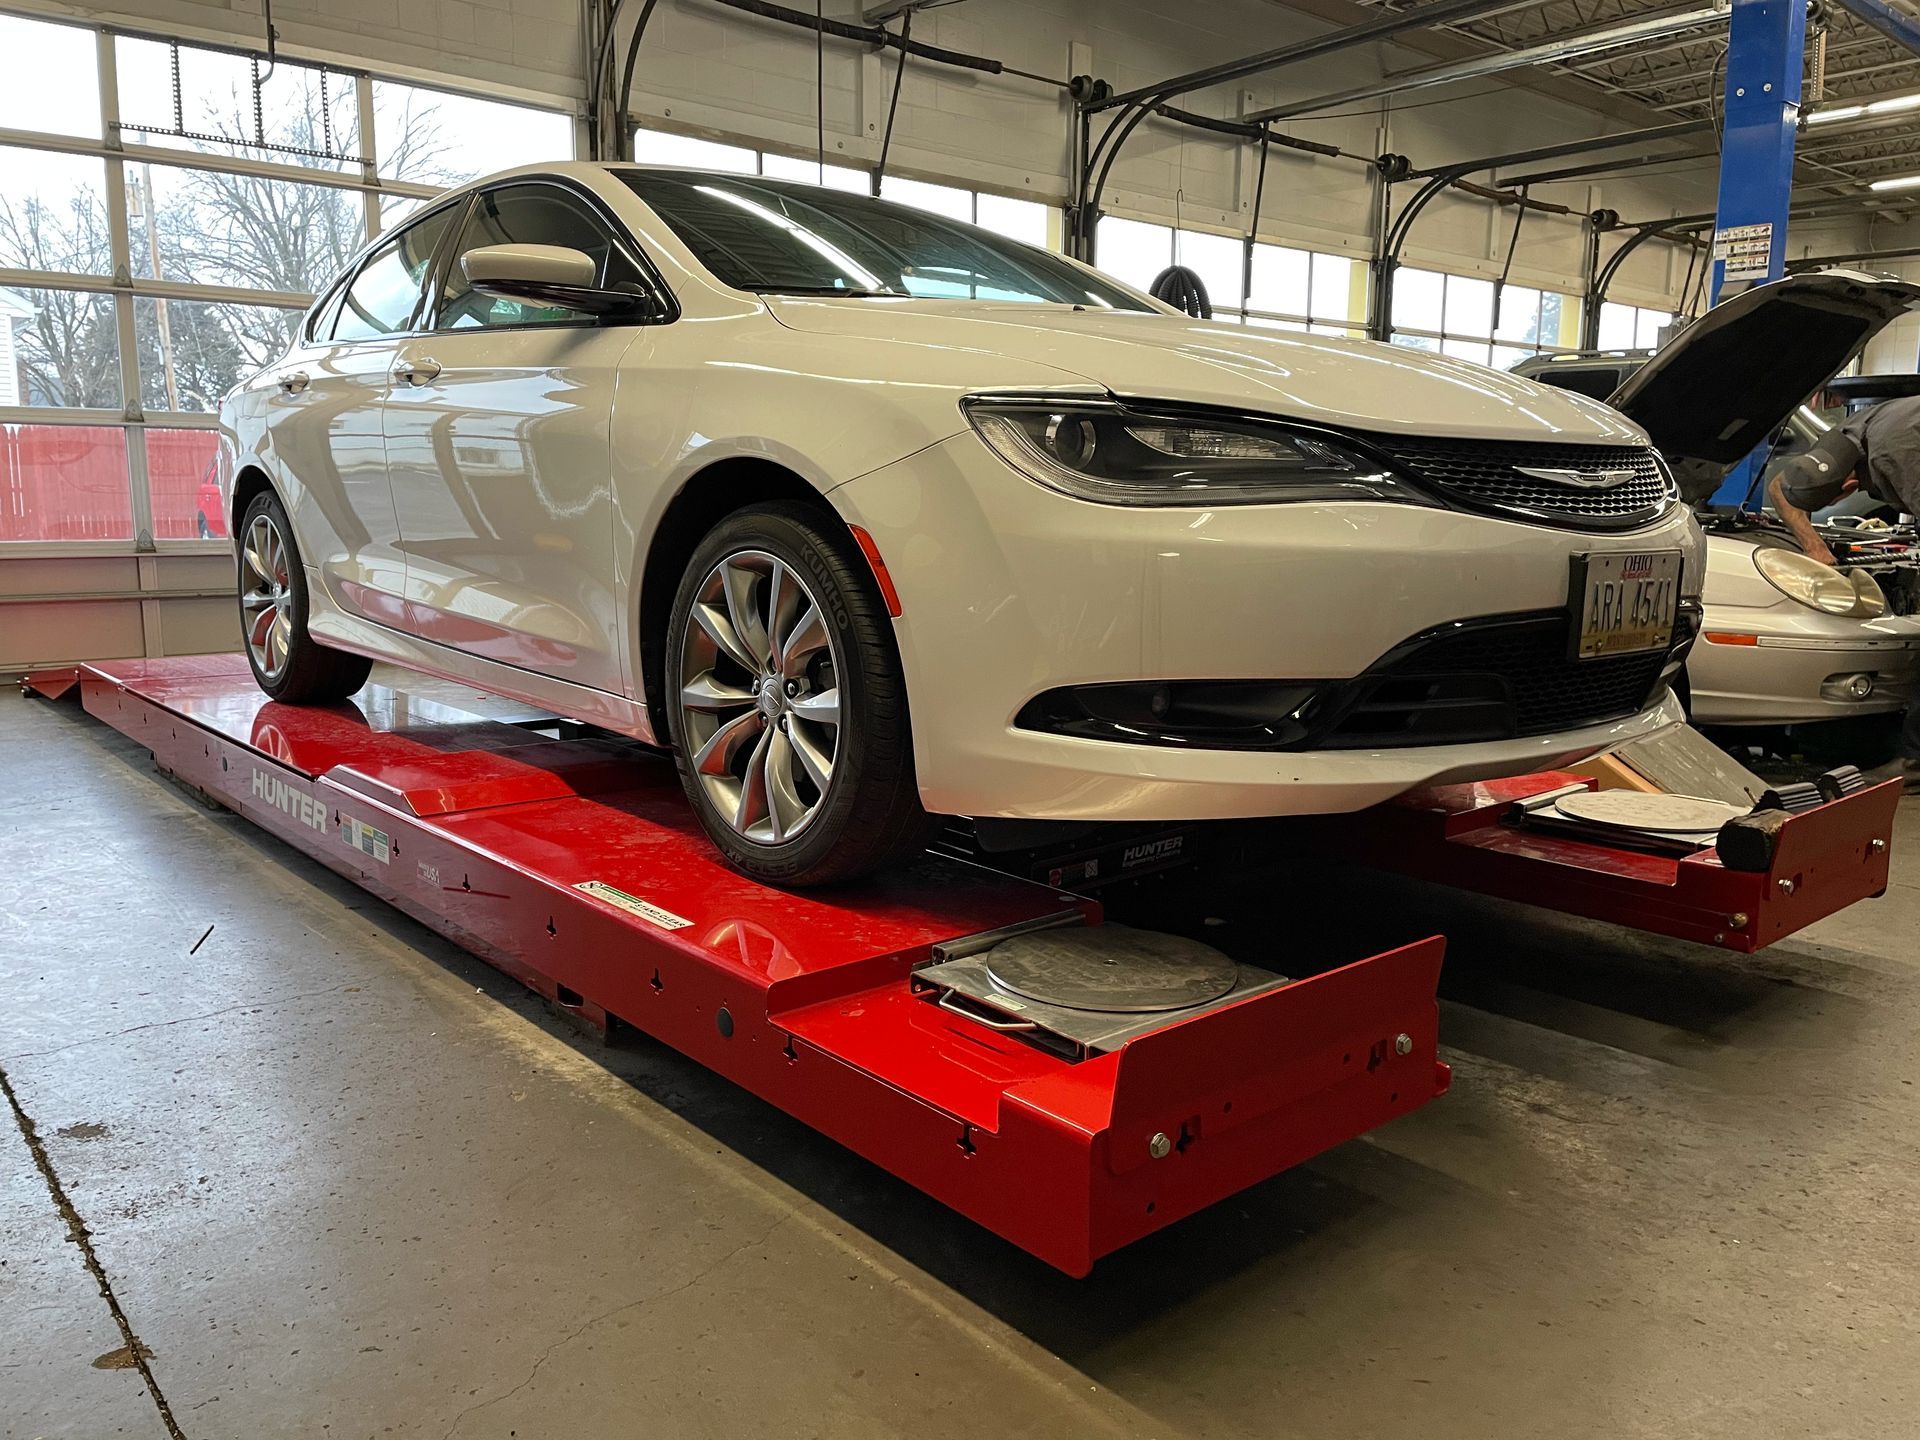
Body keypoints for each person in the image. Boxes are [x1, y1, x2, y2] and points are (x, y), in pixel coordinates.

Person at [1769, 394, 1920, 792]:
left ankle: (1916, 764)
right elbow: (1780, 486)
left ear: (1847, 486)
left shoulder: (1891, 453)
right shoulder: (1848, 434)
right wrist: (1813, 545)